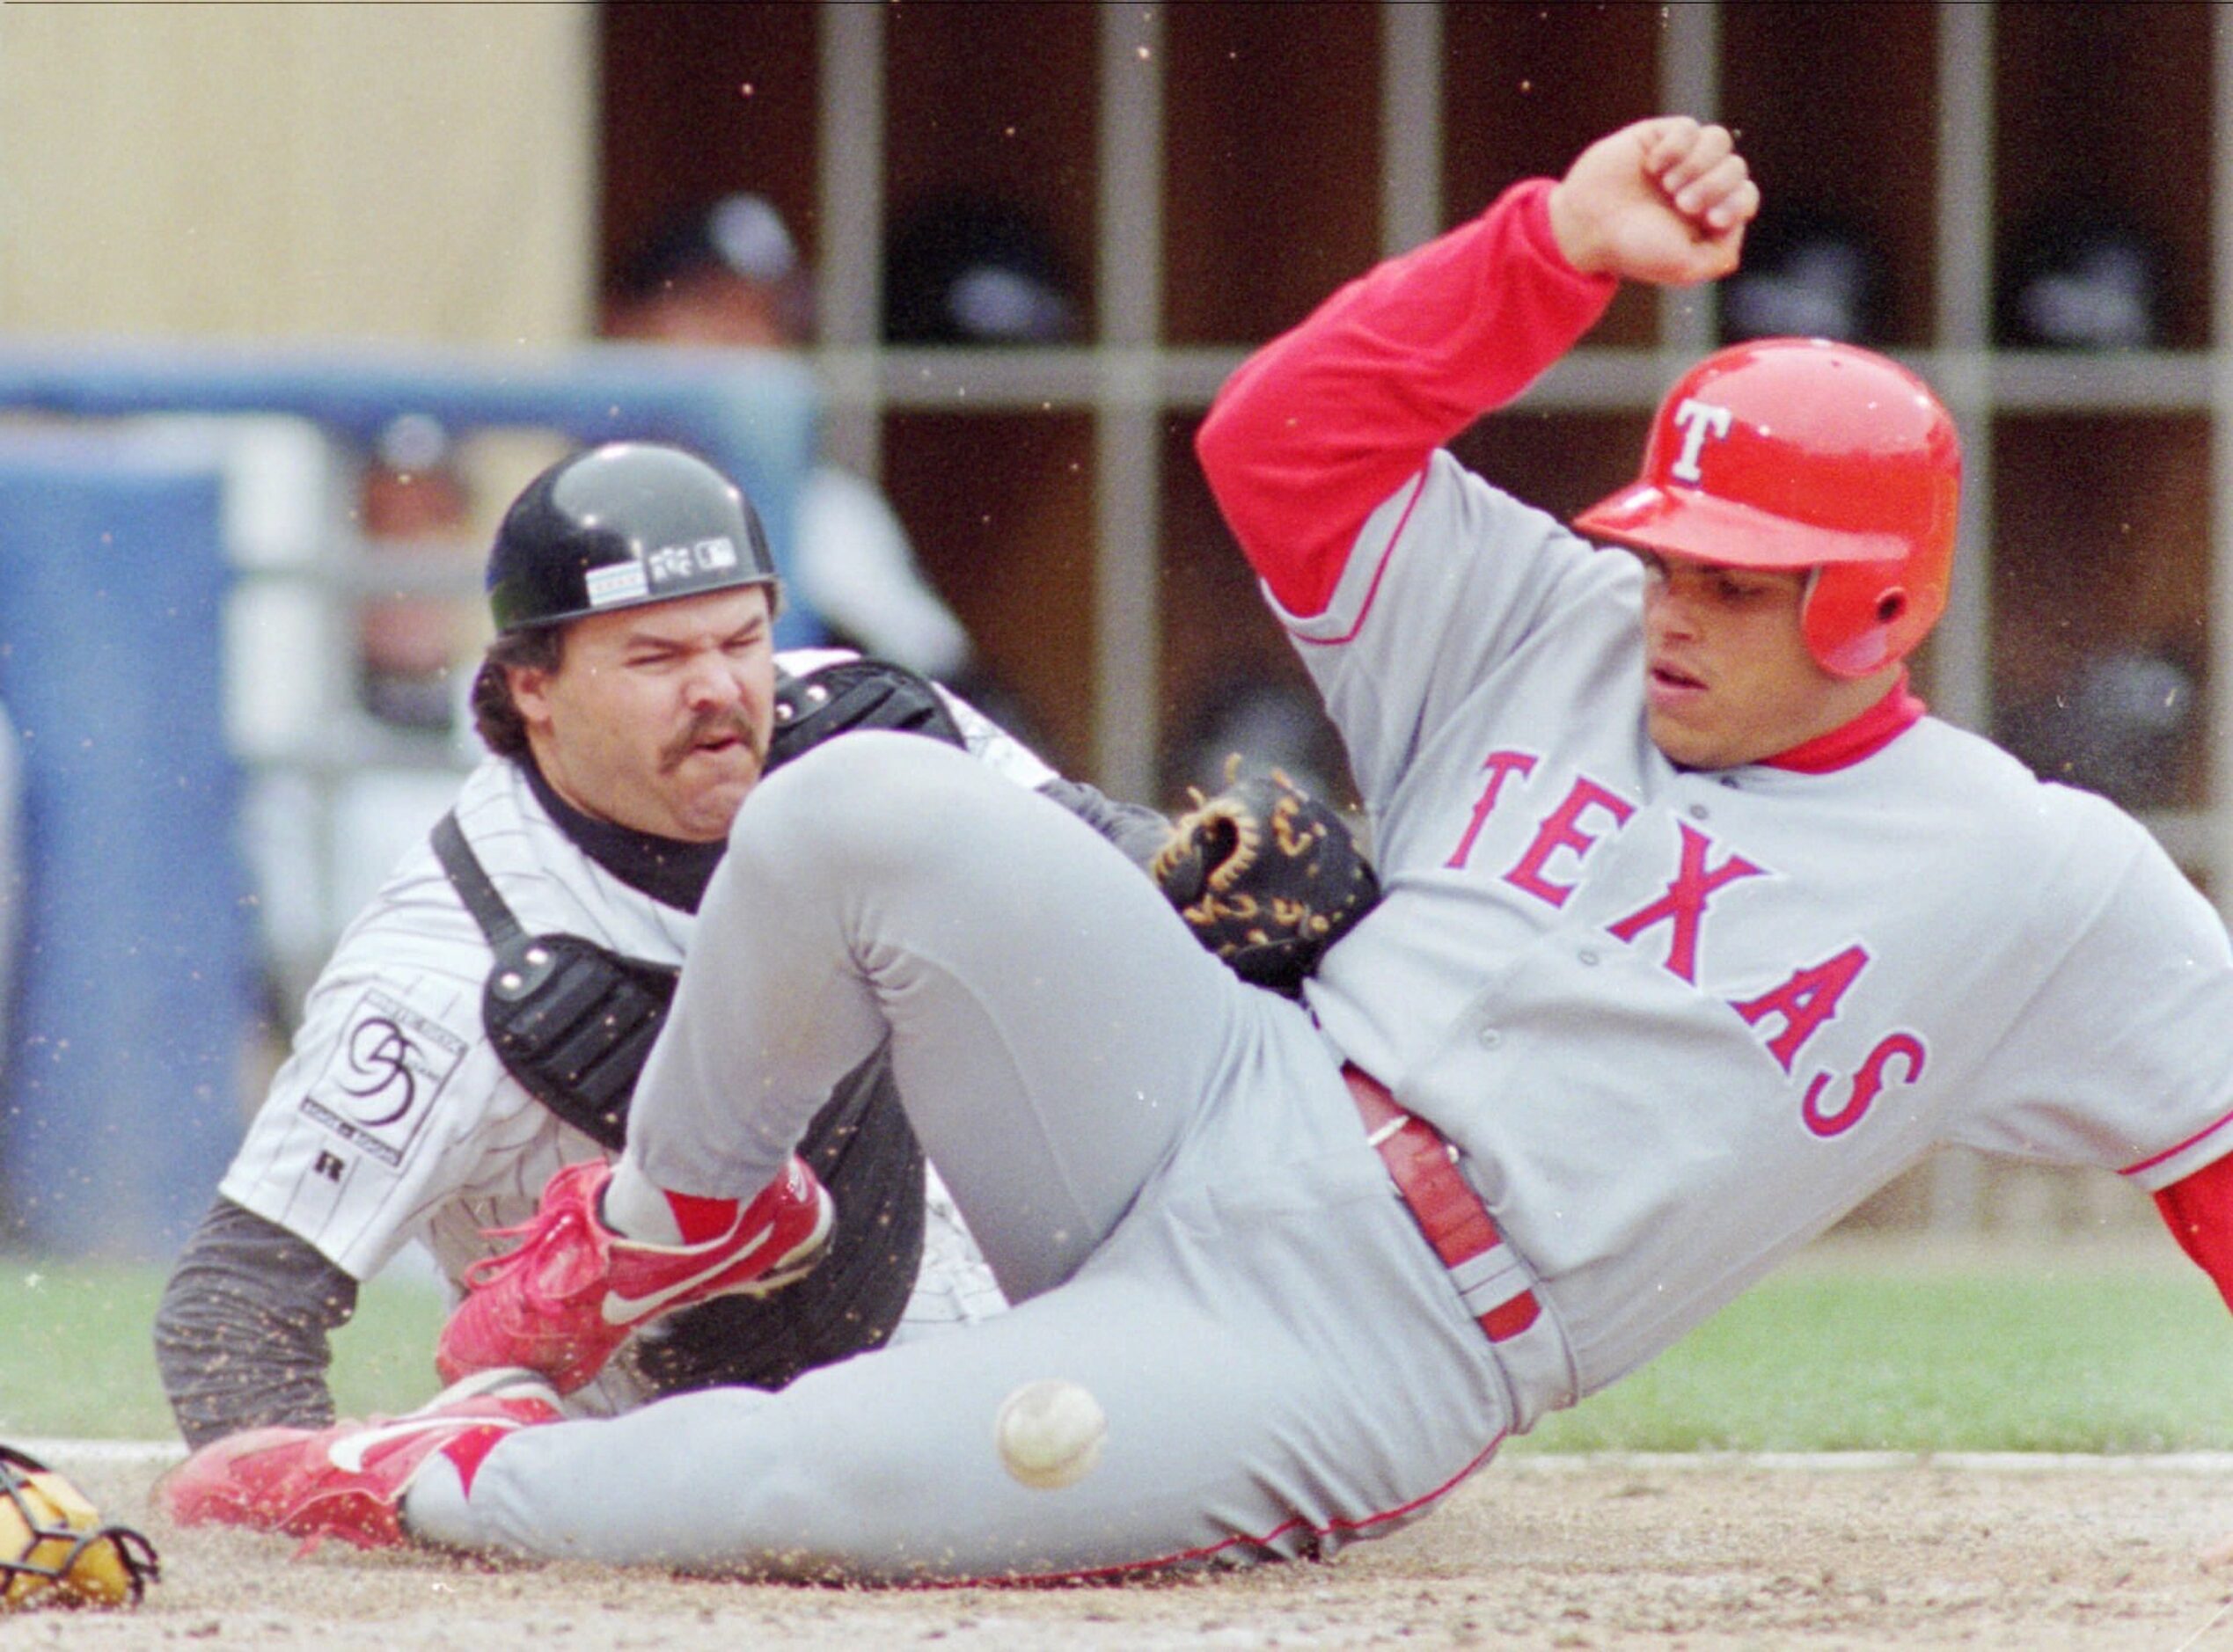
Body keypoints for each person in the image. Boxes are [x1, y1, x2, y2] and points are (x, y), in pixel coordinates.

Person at [164, 116, 2233, 1583]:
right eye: (1665, 554)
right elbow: (1281, 441)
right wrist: (1549, 255)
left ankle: (433, 1484)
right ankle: (688, 1199)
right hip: (1223, 1088)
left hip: (1380, 1339)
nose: (1669, 606)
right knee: (850, 793)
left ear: (1877, 606)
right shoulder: (1553, 625)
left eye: (1735, 582)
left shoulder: (2029, 879)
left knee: (823, 1493)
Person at [152, 440, 1173, 1449]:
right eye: (656, 658)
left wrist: (1242, 870)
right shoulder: (447, 967)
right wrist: (313, 1507)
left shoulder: (872, 736)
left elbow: (1136, 873)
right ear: (530, 689)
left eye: (740, 641)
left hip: (1000, 1357)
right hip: (666, 1475)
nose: (719, 691)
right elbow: (232, 1314)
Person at [604, 194, 977, 684]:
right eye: (711, 306)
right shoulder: (553, 491)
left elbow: (938, 678)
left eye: (764, 315)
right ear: (621, 321)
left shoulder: (827, 509)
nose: (739, 341)